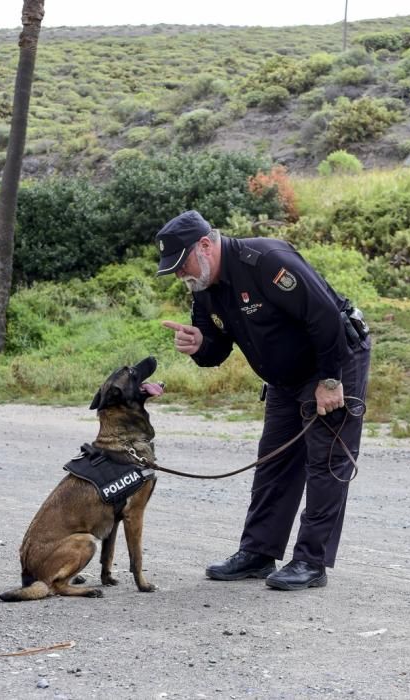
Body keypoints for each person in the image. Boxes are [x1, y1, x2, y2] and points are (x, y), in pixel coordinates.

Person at [156, 210, 370, 591]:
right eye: (173, 269)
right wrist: (198, 344)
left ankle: (310, 561)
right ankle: (258, 552)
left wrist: (332, 380)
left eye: (181, 263)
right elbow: (215, 348)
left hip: (332, 360)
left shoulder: (268, 261)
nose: (180, 274)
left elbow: (324, 318)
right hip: (284, 378)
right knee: (273, 460)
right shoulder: (203, 286)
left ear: (205, 245)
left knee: (327, 462)